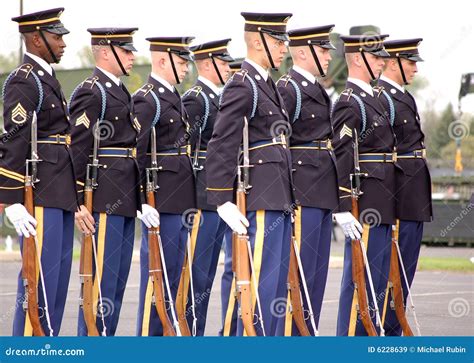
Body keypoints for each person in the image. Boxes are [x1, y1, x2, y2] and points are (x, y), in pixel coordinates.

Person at [206, 12, 294, 336]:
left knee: (273, 290)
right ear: (257, 41)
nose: (284, 47)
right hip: (259, 198)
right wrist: (220, 199)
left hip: (278, 196)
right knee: (256, 288)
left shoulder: (266, 85)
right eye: (278, 40)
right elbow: (221, 141)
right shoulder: (244, 84)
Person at [70, 27, 150, 336]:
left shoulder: (118, 89)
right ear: (106, 51)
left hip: (125, 198)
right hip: (102, 199)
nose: (132, 56)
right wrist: (77, 201)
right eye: (126, 51)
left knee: (115, 286)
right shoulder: (93, 91)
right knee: (100, 286)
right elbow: (76, 147)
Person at [2, 7, 76, 336]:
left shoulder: (47, 78)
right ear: (37, 39)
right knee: (38, 282)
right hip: (41, 191)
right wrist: (11, 198)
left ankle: (48, 348)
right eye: (57, 36)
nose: (63, 43)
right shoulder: (24, 79)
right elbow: (14, 137)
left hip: (59, 190)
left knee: (56, 285)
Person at [331, 34, 397, 336]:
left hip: (383, 198)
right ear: (357, 58)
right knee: (360, 277)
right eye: (376, 56)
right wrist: (343, 206)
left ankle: (370, 339)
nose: (383, 61)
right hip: (366, 199)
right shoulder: (349, 102)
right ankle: (349, 343)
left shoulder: (373, 99)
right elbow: (342, 154)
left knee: (378, 278)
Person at [276, 25, 339, 336]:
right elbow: (278, 143)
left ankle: (307, 338)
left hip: (323, 187)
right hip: (302, 189)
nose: (329, 56)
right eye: (323, 50)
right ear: (302, 52)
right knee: (298, 277)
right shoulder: (289, 89)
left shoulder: (315, 87)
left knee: (316, 275)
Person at [133, 36, 196, 336]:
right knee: (158, 282)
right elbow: (137, 152)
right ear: (162, 61)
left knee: (174, 278)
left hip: (179, 198)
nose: (186, 69)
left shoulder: (171, 95)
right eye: (181, 62)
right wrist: (141, 200)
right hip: (161, 200)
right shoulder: (148, 99)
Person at [378, 38, 432, 335]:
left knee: (406, 265)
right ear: (394, 62)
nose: (414, 69)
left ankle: (394, 324)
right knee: (393, 269)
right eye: (410, 63)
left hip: (414, 192)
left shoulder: (403, 96)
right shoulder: (382, 97)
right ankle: (387, 328)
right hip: (399, 192)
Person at [181, 38, 234, 336]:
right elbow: (186, 150)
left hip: (218, 197)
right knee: (196, 277)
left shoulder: (220, 98)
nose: (228, 67)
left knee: (209, 274)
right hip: (201, 198)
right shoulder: (196, 98)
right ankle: (189, 334)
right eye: (223, 62)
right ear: (207, 64)